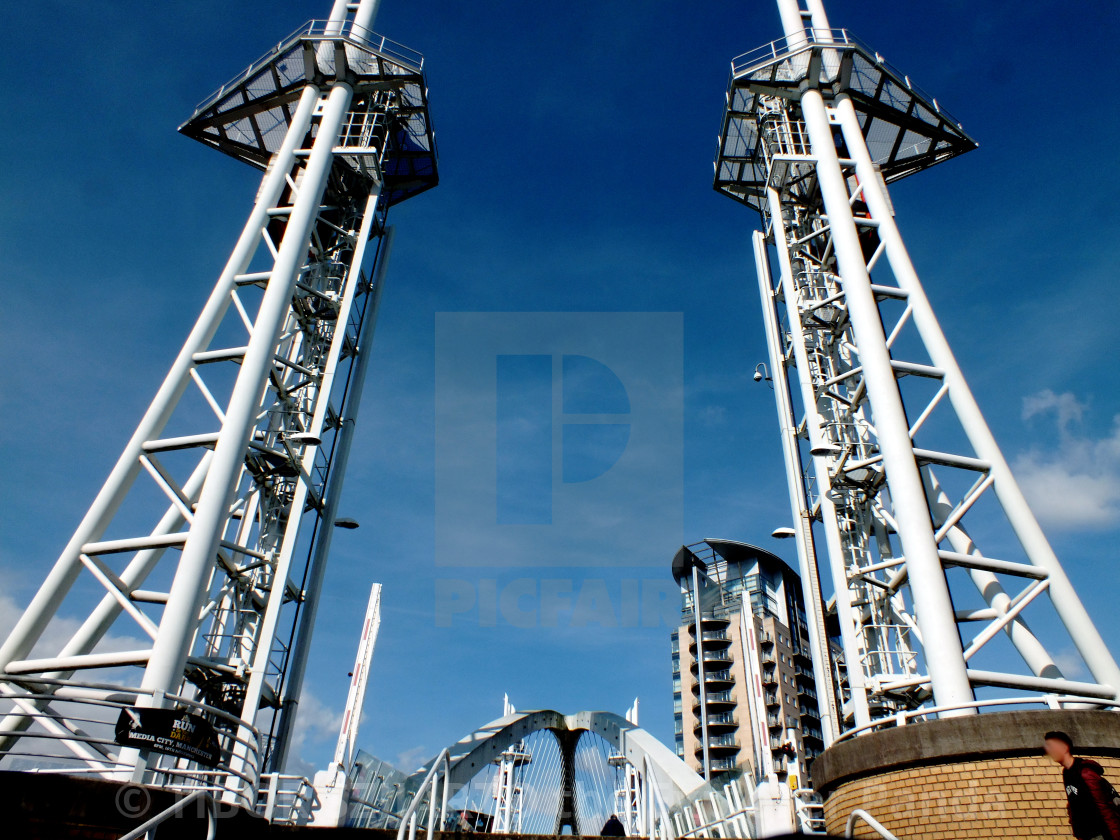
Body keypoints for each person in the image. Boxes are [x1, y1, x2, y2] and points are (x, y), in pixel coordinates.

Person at [1044, 730, 1120, 840]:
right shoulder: (1066, 773)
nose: (1049, 751)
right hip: (1085, 835)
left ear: (1065, 748)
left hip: (1100, 835)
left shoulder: (1085, 772)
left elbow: (1103, 807)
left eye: (1052, 746)